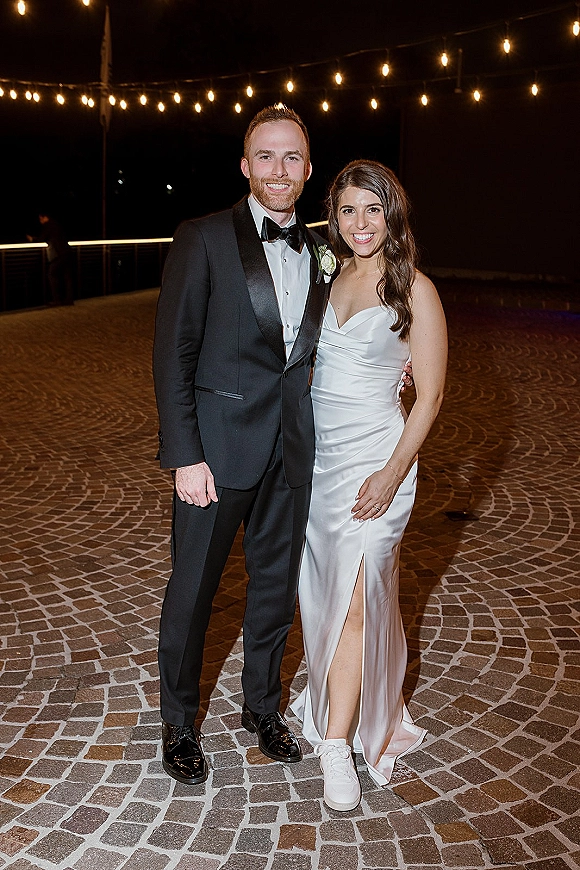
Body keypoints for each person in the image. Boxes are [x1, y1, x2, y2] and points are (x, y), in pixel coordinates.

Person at [152, 105, 336, 785]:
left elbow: (331, 342)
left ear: (308, 169)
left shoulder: (326, 250)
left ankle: (262, 708)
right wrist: (183, 454)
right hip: (216, 455)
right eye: (266, 156)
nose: (279, 170)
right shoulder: (201, 239)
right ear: (245, 165)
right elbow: (174, 353)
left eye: (292, 158)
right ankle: (177, 722)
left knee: (272, 592)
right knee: (193, 593)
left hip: (291, 449)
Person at [291, 160, 448, 811]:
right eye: (349, 210)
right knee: (321, 595)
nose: (360, 223)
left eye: (373, 210)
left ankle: (337, 747)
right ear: (335, 215)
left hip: (378, 464)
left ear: (392, 215)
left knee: (358, 601)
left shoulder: (416, 289)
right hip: (319, 465)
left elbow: (430, 395)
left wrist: (390, 474)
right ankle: (338, 694)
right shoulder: (322, 280)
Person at [27, 212, 74, 306]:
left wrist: (32, 239)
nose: (40, 221)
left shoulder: (48, 226)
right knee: (67, 277)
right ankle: (69, 300)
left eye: (40, 219)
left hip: (58, 254)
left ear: (44, 217)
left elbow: (41, 238)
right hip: (67, 251)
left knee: (51, 275)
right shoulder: (57, 224)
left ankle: (57, 300)